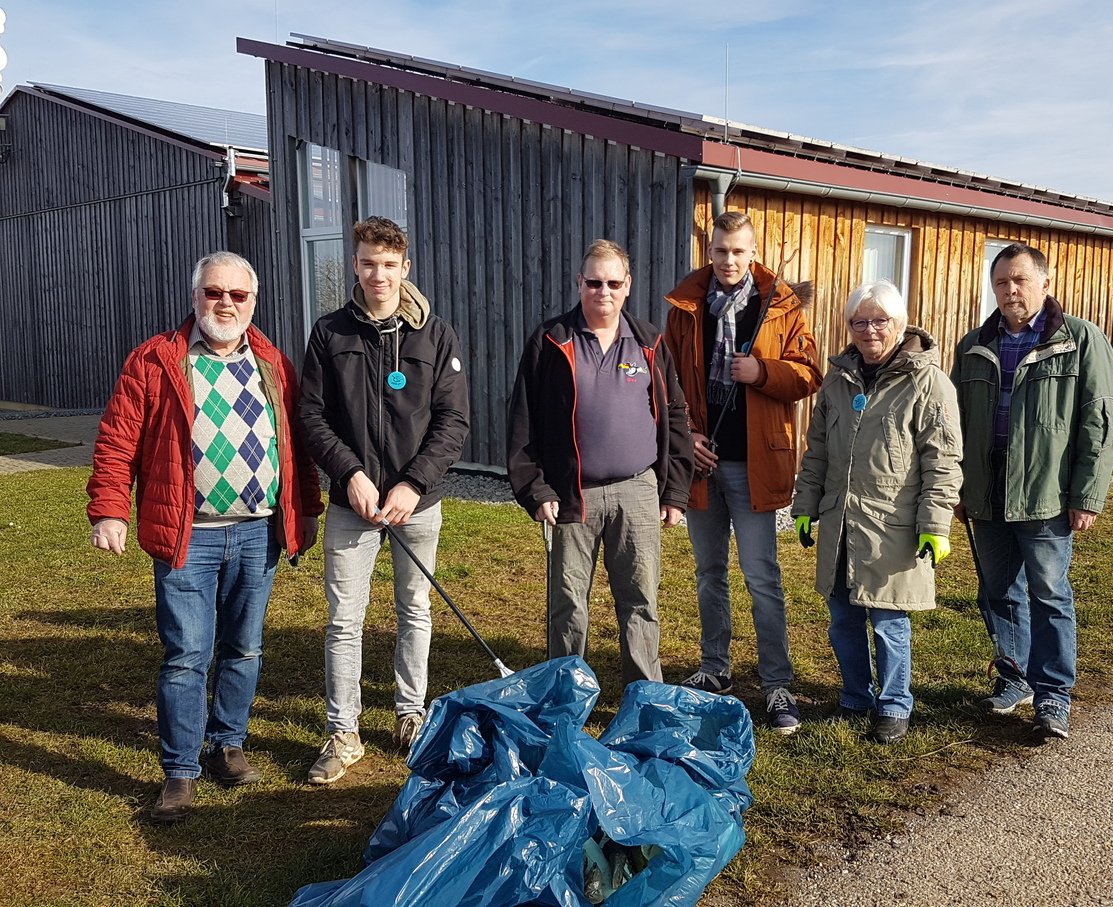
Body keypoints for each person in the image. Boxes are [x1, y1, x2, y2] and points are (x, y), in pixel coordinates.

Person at [87, 251, 323, 823]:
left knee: (244, 647)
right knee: (187, 654)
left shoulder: (273, 362)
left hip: (256, 532)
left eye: (237, 296)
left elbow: (296, 446)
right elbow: (118, 441)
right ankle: (180, 772)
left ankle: (228, 744)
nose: (225, 303)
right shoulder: (156, 360)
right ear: (195, 296)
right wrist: (110, 509)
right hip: (186, 535)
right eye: (214, 292)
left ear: (253, 302)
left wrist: (307, 509)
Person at [299, 216, 470, 784]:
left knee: (414, 611)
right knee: (344, 621)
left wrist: (412, 483)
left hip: (416, 505)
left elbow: (452, 421)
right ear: (355, 264)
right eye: (368, 263)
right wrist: (349, 473)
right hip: (354, 505)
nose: (379, 274)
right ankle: (342, 732)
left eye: (389, 265)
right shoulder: (329, 333)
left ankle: (409, 714)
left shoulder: (436, 335)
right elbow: (311, 416)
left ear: (406, 268)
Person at [664, 211, 823, 734]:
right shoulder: (685, 305)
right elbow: (666, 382)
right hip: (703, 465)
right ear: (709, 252)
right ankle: (716, 670)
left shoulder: (779, 305)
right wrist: (687, 436)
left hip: (756, 463)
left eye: (738, 251)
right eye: (720, 251)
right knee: (709, 575)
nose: (729, 261)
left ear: (752, 252)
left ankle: (777, 683)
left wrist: (762, 372)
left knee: (762, 578)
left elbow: (809, 373)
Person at [507, 239, 693, 684]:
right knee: (568, 603)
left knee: (640, 600)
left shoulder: (649, 342)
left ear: (627, 285)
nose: (603, 291)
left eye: (613, 282)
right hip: (573, 494)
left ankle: (645, 695)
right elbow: (522, 420)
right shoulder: (550, 340)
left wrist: (675, 491)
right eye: (594, 282)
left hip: (638, 490)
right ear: (579, 283)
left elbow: (675, 414)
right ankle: (564, 694)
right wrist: (536, 489)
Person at [952, 242, 1113, 740]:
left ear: (1046, 283)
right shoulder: (974, 345)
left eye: (1020, 280)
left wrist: (1086, 494)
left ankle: (1053, 697)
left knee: (1049, 596)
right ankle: (1014, 677)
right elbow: (954, 424)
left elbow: (1099, 422)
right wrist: (957, 487)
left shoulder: (1080, 340)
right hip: (988, 493)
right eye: (1001, 282)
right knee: (997, 593)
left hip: (1046, 496)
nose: (1010, 291)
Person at [791, 280, 963, 744]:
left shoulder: (928, 382)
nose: (869, 330)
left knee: (888, 621)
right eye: (859, 321)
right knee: (842, 617)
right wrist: (805, 506)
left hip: (893, 523)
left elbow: (943, 459)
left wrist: (935, 524)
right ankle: (855, 695)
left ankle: (893, 704)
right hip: (841, 521)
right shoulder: (838, 380)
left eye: (879, 320)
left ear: (900, 324)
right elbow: (818, 451)